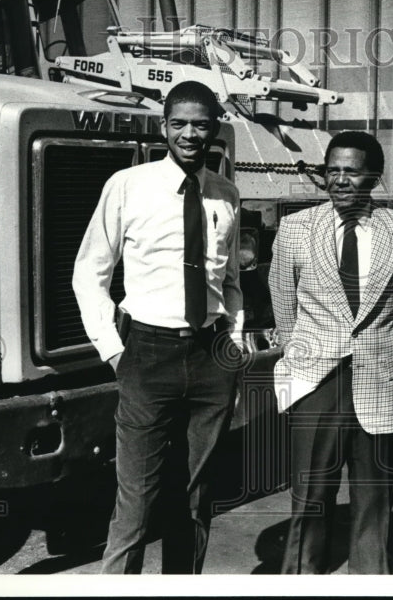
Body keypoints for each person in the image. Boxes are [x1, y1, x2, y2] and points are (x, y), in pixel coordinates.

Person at [73, 81, 243, 574]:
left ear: (214, 129)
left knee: (195, 498)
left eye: (201, 125)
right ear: (164, 126)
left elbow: (229, 282)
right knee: (136, 503)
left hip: (211, 358)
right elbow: (90, 273)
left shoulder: (227, 195)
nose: (190, 134)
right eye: (179, 124)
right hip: (146, 355)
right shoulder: (128, 186)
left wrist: (231, 345)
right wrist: (113, 350)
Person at [268, 130, 393, 574]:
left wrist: (388, 353)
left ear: (374, 178)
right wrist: (301, 354)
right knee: (310, 493)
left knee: (373, 494)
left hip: (380, 376)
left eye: (351, 171)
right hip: (316, 378)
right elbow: (282, 302)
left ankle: (369, 576)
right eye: (331, 170)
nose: (339, 180)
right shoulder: (296, 228)